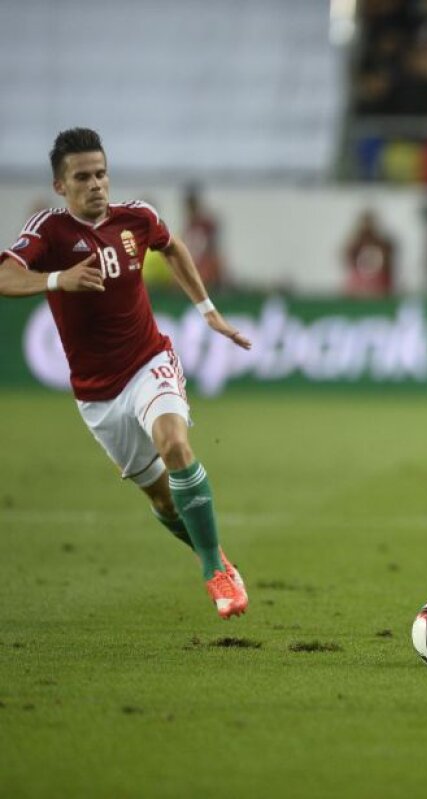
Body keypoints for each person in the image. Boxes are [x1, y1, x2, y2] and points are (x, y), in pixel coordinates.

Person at [0, 128, 251, 619]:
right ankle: (214, 554)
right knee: (162, 499)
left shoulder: (136, 218)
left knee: (175, 444)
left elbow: (173, 246)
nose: (96, 184)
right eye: (82, 177)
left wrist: (207, 310)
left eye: (101, 173)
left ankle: (213, 574)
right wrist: (58, 279)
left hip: (149, 361)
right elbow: (4, 274)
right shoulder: (48, 232)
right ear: (60, 186)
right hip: (97, 395)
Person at [343, 208, 396, 297]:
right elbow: (349, 260)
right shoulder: (355, 245)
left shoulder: (382, 244)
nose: (368, 227)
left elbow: (389, 264)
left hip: (380, 287)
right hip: (358, 288)